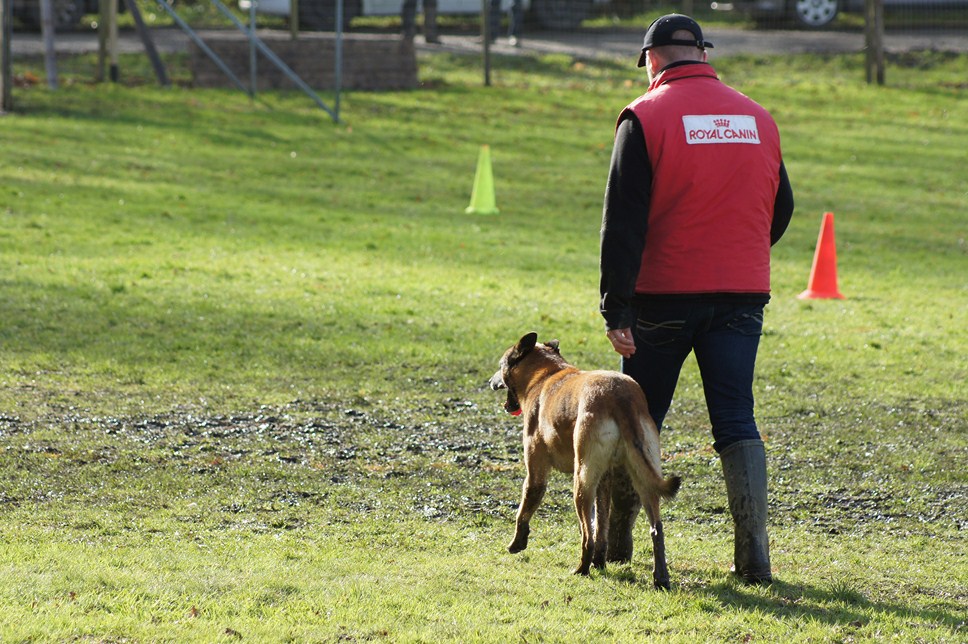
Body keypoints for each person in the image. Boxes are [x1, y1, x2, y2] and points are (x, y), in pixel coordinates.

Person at [598, 14, 794, 584]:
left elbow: (623, 223)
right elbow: (779, 208)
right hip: (742, 293)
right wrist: (739, 251)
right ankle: (754, 557)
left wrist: (617, 305)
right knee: (737, 418)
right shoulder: (758, 117)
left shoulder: (644, 116)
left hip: (663, 296)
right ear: (703, 54)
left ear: (652, 60)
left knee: (638, 418)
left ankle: (617, 545)